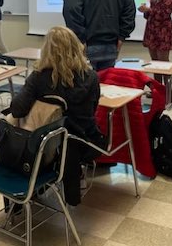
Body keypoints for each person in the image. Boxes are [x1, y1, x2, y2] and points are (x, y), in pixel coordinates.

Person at [9, 26, 105, 206]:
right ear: (76, 47)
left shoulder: (38, 78)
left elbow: (17, 110)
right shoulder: (91, 77)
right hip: (83, 143)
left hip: (45, 146)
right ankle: (76, 174)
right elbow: (92, 111)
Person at [138, 0, 172, 83]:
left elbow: (164, 13)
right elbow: (152, 13)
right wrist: (145, 11)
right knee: (154, 63)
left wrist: (148, 10)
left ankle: (168, 91)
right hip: (152, 30)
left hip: (163, 32)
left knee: (163, 63)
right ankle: (158, 88)